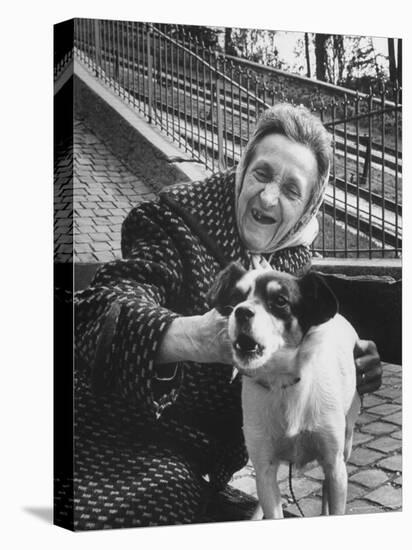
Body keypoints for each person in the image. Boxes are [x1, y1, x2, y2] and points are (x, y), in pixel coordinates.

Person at [63, 103, 381, 530]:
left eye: (291, 190)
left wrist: (353, 365)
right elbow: (99, 311)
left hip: (203, 468)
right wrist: (191, 337)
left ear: (307, 208)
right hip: (112, 439)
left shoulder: (295, 272)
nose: (268, 197)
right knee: (159, 498)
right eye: (262, 174)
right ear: (242, 169)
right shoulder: (173, 223)